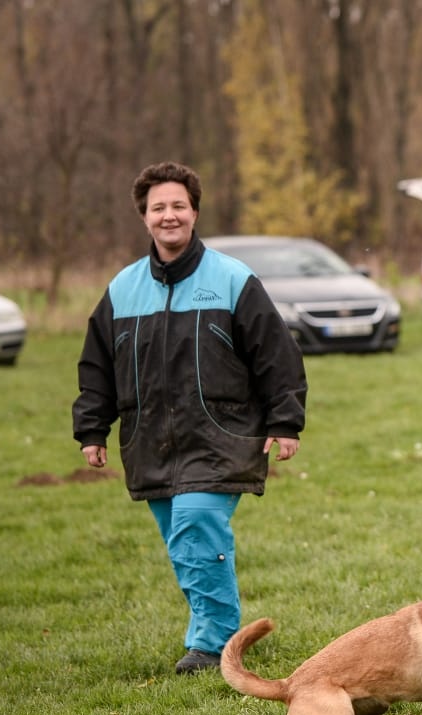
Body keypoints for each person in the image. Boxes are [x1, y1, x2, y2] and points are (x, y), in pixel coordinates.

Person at [73, 161, 307, 674]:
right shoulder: (122, 289)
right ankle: (220, 628)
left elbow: (276, 354)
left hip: (220, 435)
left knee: (196, 522)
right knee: (184, 542)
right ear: (145, 217)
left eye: (179, 205)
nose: (169, 215)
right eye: (159, 207)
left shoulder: (232, 279)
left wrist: (284, 421)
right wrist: (93, 427)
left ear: (194, 212)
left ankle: (213, 642)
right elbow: (98, 365)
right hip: (149, 440)